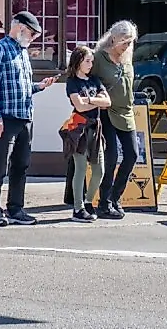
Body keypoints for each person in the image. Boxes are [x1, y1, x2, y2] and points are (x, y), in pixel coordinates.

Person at [0, 10, 41, 226]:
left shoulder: (22, 51)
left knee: (21, 165)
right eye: (32, 33)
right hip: (6, 118)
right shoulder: (0, 49)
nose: (33, 38)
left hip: (25, 117)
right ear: (20, 28)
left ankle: (15, 209)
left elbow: (22, 87)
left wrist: (39, 86)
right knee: (0, 166)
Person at [93, 20, 141, 218]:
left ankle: (115, 198)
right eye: (124, 42)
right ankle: (104, 203)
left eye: (130, 42)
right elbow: (88, 80)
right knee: (111, 157)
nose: (127, 47)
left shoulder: (127, 57)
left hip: (126, 111)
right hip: (107, 113)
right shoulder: (99, 58)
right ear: (113, 38)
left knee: (132, 154)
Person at [60, 44, 109, 220]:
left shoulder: (95, 80)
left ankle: (88, 201)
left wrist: (89, 99)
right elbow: (79, 106)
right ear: (78, 61)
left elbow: (108, 102)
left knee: (99, 170)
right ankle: (78, 208)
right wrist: (97, 101)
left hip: (95, 128)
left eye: (92, 61)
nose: (90, 64)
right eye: (87, 60)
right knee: (80, 168)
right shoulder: (72, 82)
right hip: (79, 129)